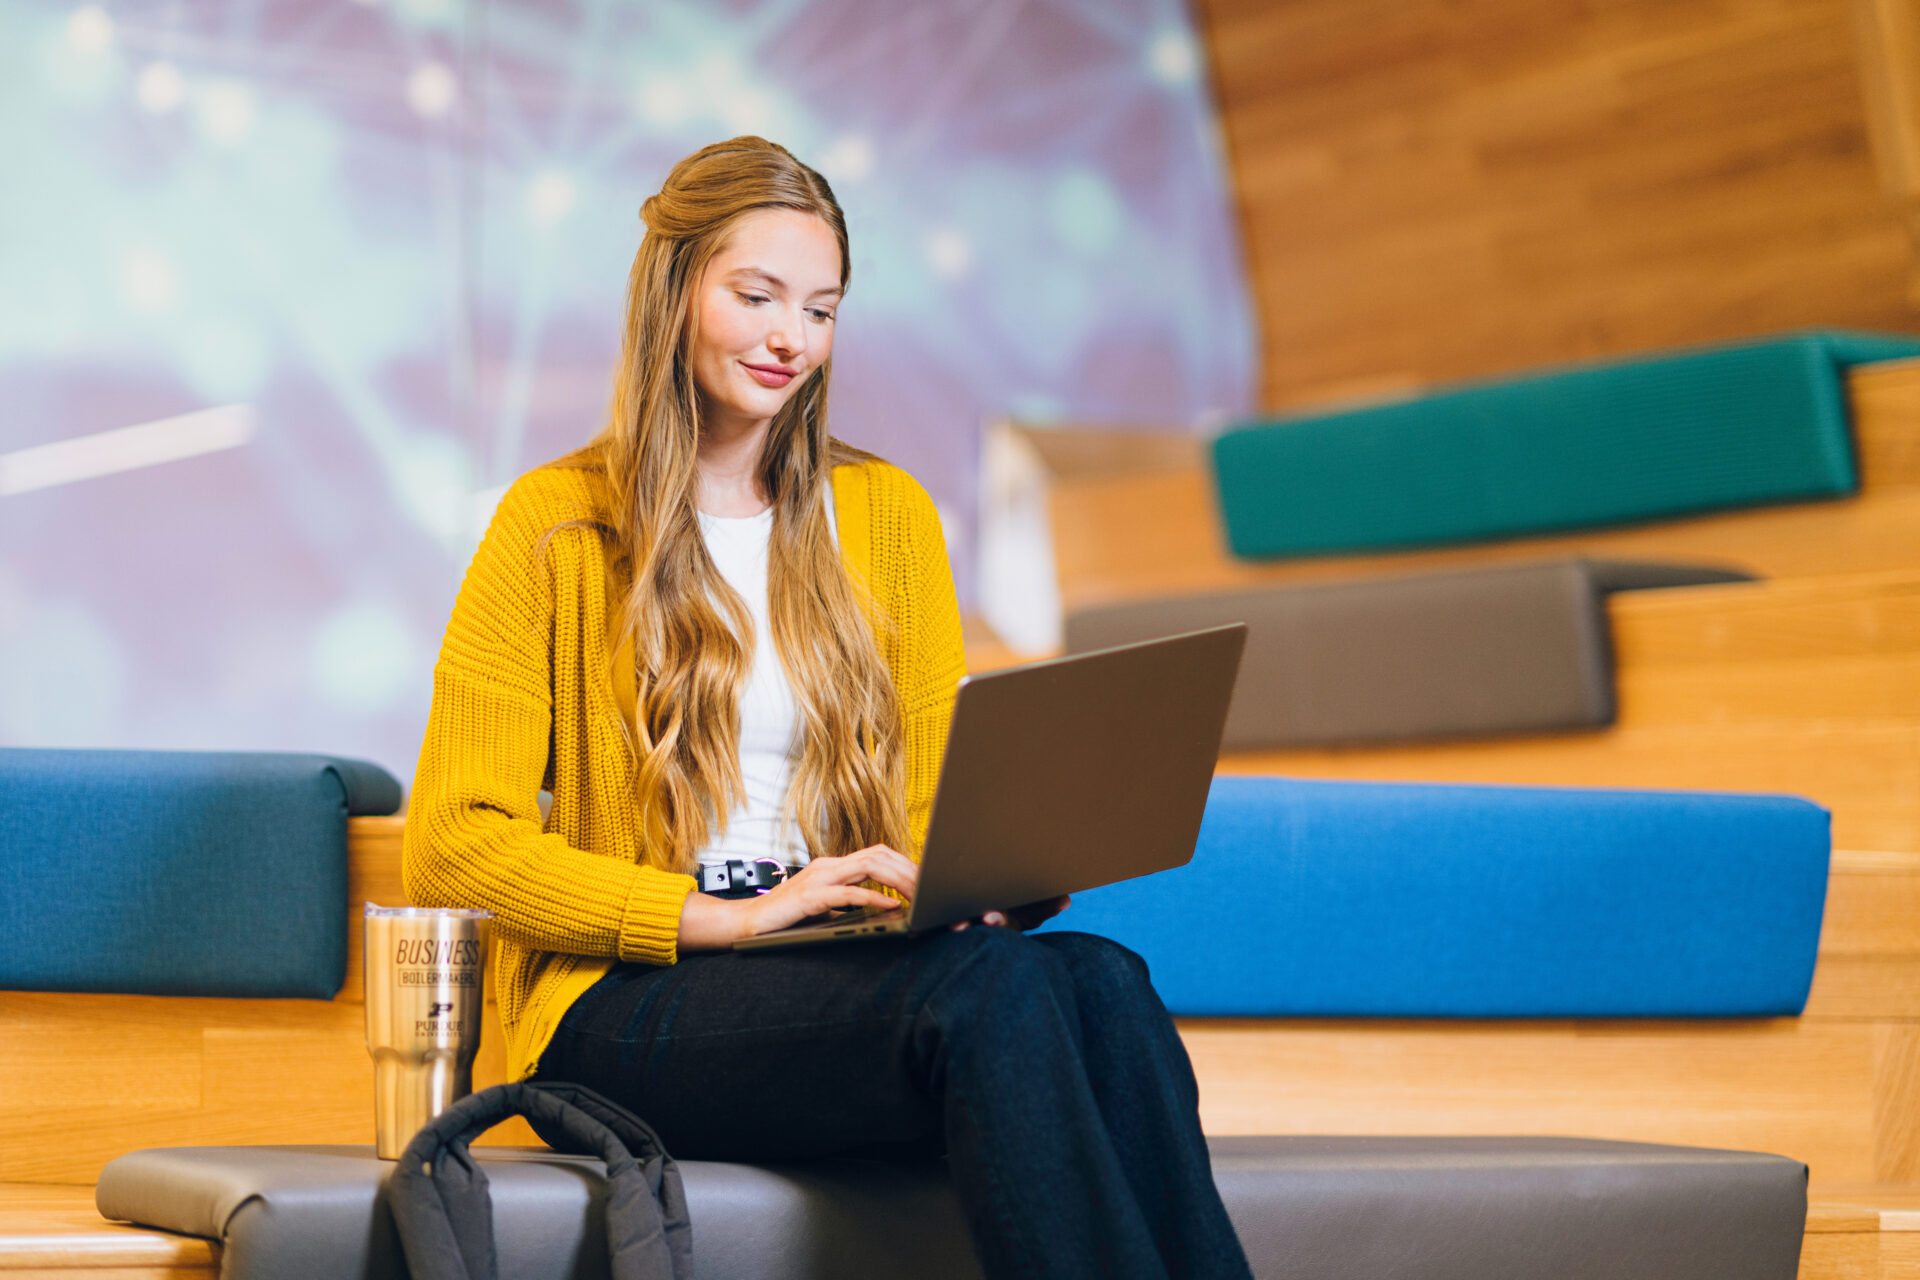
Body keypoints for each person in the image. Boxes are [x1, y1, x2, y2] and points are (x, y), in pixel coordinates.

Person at [403, 135, 1254, 1280]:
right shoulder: (552, 527)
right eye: (755, 295)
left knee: (1101, 978)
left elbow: (929, 797)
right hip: (619, 1007)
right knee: (995, 1001)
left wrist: (981, 880)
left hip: (834, 964)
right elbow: (453, 845)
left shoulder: (887, 516)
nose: (788, 338)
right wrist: (728, 914)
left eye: (820, 308)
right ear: (673, 290)